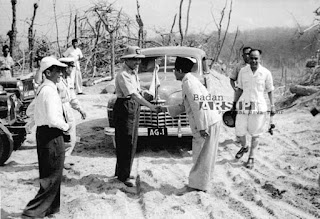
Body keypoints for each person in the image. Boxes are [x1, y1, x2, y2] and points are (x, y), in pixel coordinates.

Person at [157, 57, 222, 194]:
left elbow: (198, 107)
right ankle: (202, 184)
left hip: (207, 121)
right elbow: (185, 105)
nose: (173, 73)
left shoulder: (189, 83)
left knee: (200, 155)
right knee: (206, 155)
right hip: (211, 119)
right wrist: (166, 109)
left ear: (180, 71)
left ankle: (196, 185)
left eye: (174, 70)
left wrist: (202, 128)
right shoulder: (190, 80)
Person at [22, 57, 70, 218]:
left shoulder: (43, 89)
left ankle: (50, 208)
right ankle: (32, 211)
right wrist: (66, 126)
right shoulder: (49, 91)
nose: (61, 75)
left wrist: (37, 118)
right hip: (52, 134)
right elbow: (52, 118)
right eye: (57, 71)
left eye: (62, 71)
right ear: (47, 72)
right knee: (51, 176)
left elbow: (30, 111)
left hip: (44, 133)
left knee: (51, 173)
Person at [114, 45, 157, 187]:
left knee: (131, 139)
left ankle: (122, 171)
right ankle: (123, 176)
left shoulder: (133, 72)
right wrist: (150, 106)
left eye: (139, 59)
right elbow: (132, 94)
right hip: (126, 106)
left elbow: (138, 90)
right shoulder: (123, 74)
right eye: (134, 59)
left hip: (133, 106)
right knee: (126, 140)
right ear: (126, 60)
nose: (137, 62)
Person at [233, 49, 275, 169]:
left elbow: (270, 90)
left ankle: (251, 157)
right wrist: (234, 104)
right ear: (248, 58)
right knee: (239, 131)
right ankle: (244, 146)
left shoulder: (266, 73)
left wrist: (272, 106)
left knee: (255, 133)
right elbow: (239, 89)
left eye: (256, 58)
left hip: (258, 106)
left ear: (260, 59)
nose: (253, 61)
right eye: (251, 58)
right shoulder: (242, 71)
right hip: (243, 105)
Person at [57, 57, 87, 168]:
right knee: (60, 137)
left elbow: (72, 97)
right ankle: (60, 161)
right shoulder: (57, 81)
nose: (71, 70)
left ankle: (65, 159)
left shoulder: (69, 80)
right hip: (58, 109)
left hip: (67, 109)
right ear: (65, 67)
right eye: (70, 67)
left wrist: (80, 109)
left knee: (71, 136)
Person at [230, 46, 251, 143]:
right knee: (238, 114)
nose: (248, 55)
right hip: (240, 93)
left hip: (251, 93)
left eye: (249, 53)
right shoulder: (239, 66)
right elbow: (232, 78)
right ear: (243, 55)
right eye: (246, 53)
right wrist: (234, 88)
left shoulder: (255, 65)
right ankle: (239, 137)